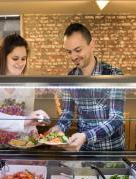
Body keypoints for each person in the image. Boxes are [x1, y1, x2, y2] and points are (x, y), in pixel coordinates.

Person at [50, 23, 125, 151]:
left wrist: (86, 136)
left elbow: (116, 118)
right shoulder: (71, 77)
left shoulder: (114, 74)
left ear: (92, 44)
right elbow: (67, 113)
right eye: (69, 52)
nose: (73, 57)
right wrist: (59, 127)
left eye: (78, 50)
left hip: (111, 151)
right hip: (84, 150)